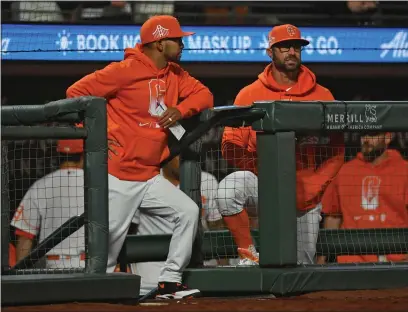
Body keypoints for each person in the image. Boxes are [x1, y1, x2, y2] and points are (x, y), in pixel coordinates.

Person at [66, 15, 213, 299]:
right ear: (159, 43)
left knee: (188, 211)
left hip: (149, 176)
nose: (182, 44)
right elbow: (76, 93)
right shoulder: (123, 71)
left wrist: (181, 110)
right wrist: (92, 133)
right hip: (118, 176)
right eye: (177, 39)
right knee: (106, 250)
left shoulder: (175, 74)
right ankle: (95, 298)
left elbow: (205, 95)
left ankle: (169, 280)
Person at [217, 24, 344, 265]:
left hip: (304, 191)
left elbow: (335, 151)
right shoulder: (249, 93)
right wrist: (262, 169)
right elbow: (230, 145)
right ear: (270, 52)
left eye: (296, 47)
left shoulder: (322, 95)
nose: (291, 52)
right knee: (227, 189)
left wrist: (314, 185)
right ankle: (248, 254)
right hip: (262, 184)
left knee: (301, 268)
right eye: (284, 47)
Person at [130, 155, 224, 296]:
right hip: (152, 274)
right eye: (179, 155)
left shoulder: (207, 180)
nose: (183, 160)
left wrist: (223, 264)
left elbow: (217, 227)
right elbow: (128, 229)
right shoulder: (147, 182)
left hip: (201, 269)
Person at [318, 132, 408, 264]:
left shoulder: (404, 170)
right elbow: (333, 215)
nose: (366, 140)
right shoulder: (346, 171)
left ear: (388, 137)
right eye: (363, 135)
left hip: (397, 260)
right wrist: (322, 258)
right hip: (352, 262)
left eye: (372, 135)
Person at [10, 139, 85, 268]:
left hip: (53, 266)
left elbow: (25, 235)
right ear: (83, 156)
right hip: (88, 265)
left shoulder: (40, 185)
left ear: (57, 156)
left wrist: (19, 275)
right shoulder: (98, 186)